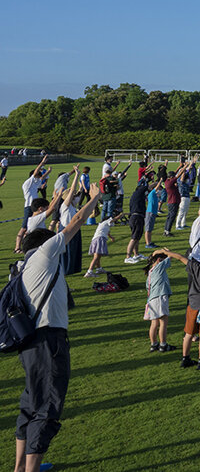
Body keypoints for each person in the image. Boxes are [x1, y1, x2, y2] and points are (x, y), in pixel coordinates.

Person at [13, 181, 102, 472]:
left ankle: (19, 467)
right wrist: (96, 196)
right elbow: (76, 221)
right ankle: (31, 469)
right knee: (47, 406)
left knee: (30, 401)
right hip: (49, 340)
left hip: (29, 343)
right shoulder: (45, 254)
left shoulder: (22, 267)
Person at [143, 249, 176, 353]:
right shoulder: (159, 267)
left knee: (154, 324)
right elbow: (171, 255)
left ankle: (154, 344)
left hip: (151, 300)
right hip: (160, 297)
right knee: (163, 323)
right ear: (158, 260)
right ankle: (163, 345)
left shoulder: (150, 272)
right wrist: (165, 251)